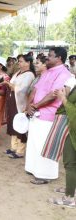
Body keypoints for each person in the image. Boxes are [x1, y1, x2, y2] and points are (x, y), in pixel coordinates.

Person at [25, 47, 72, 184]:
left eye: (50, 56)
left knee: (46, 144)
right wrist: (29, 105)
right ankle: (33, 168)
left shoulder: (63, 74)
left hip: (50, 115)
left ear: (59, 58)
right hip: (36, 112)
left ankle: (46, 175)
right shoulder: (47, 72)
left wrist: (36, 106)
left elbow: (54, 94)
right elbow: (35, 89)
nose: (47, 58)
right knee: (34, 142)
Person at [48, 80, 76, 208]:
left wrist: (63, 97)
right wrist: (65, 94)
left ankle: (70, 198)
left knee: (70, 163)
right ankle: (71, 189)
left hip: (73, 130)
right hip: (71, 128)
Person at [3, 54, 35, 159]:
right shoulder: (17, 72)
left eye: (21, 61)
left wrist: (10, 85)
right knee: (13, 123)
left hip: (20, 103)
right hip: (13, 100)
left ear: (28, 62)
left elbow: (23, 89)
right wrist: (8, 84)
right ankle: (13, 147)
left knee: (20, 125)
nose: (19, 63)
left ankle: (20, 150)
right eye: (19, 61)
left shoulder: (29, 75)